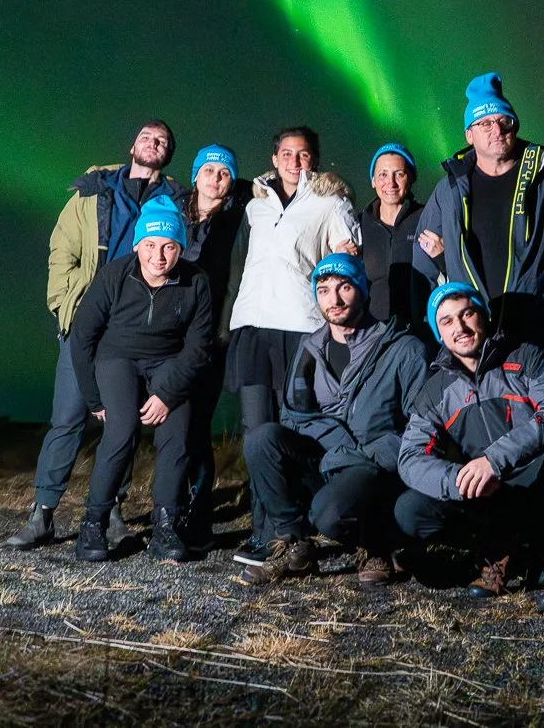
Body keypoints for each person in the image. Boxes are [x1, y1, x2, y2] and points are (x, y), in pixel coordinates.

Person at [5, 120, 184, 550]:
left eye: (161, 141)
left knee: (121, 422)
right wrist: (65, 302)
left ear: (167, 154)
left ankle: (114, 512)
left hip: (133, 329)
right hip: (87, 318)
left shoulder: (176, 200)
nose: (153, 143)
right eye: (146, 136)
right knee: (67, 415)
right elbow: (61, 248)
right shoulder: (93, 191)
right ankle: (43, 512)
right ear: (133, 144)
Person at [395, 282, 544, 614]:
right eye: (446, 322)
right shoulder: (435, 390)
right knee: (410, 509)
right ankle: (496, 550)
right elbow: (410, 458)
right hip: (490, 496)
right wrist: (458, 480)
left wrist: (494, 460)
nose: (460, 328)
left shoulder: (526, 355)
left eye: (467, 313)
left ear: (483, 316)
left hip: (537, 484)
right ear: (438, 333)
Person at [236, 253, 429, 586]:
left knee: (330, 514)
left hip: (373, 464)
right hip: (326, 459)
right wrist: (328, 446)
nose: (334, 299)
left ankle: (375, 543)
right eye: (323, 290)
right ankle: (295, 546)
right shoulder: (310, 348)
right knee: (260, 439)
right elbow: (294, 416)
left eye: (344, 287)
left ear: (363, 290)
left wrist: (369, 453)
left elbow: (421, 428)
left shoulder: (402, 348)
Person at [224, 126, 361, 559]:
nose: (293, 161)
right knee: (253, 429)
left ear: (313, 159)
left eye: (303, 154)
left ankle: (290, 529)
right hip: (251, 324)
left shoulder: (329, 202)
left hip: (299, 327)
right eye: (286, 153)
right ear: (275, 156)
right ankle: (265, 532)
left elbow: (346, 254)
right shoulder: (256, 202)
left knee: (288, 429)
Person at [66, 196, 215, 563]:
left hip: (169, 360)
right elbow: (83, 334)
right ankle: (94, 523)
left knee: (177, 431)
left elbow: (199, 348)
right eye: (149, 245)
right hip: (118, 357)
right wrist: (93, 399)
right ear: (137, 245)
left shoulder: (197, 283)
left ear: (181, 247)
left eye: (168, 246)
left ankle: (166, 524)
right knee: (122, 430)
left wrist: (167, 394)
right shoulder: (115, 274)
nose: (158, 256)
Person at [414, 73, 544, 361]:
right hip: (471, 342)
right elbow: (423, 268)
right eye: (485, 123)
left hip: (536, 337)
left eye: (504, 121)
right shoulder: (449, 191)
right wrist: (434, 336)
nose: (496, 130)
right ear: (469, 134)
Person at [176, 144, 253, 552]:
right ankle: (168, 507)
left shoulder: (239, 219)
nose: (216, 178)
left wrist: (222, 331)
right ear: (195, 176)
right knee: (173, 425)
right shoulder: (172, 212)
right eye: (208, 170)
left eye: (224, 172)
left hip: (210, 334)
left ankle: (199, 513)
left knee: (197, 424)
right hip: (168, 335)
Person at [359, 143, 430, 333]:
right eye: (382, 174)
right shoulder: (358, 224)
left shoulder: (428, 218)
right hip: (373, 334)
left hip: (420, 332)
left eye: (399, 174)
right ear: (373, 180)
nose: (390, 183)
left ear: (411, 178)